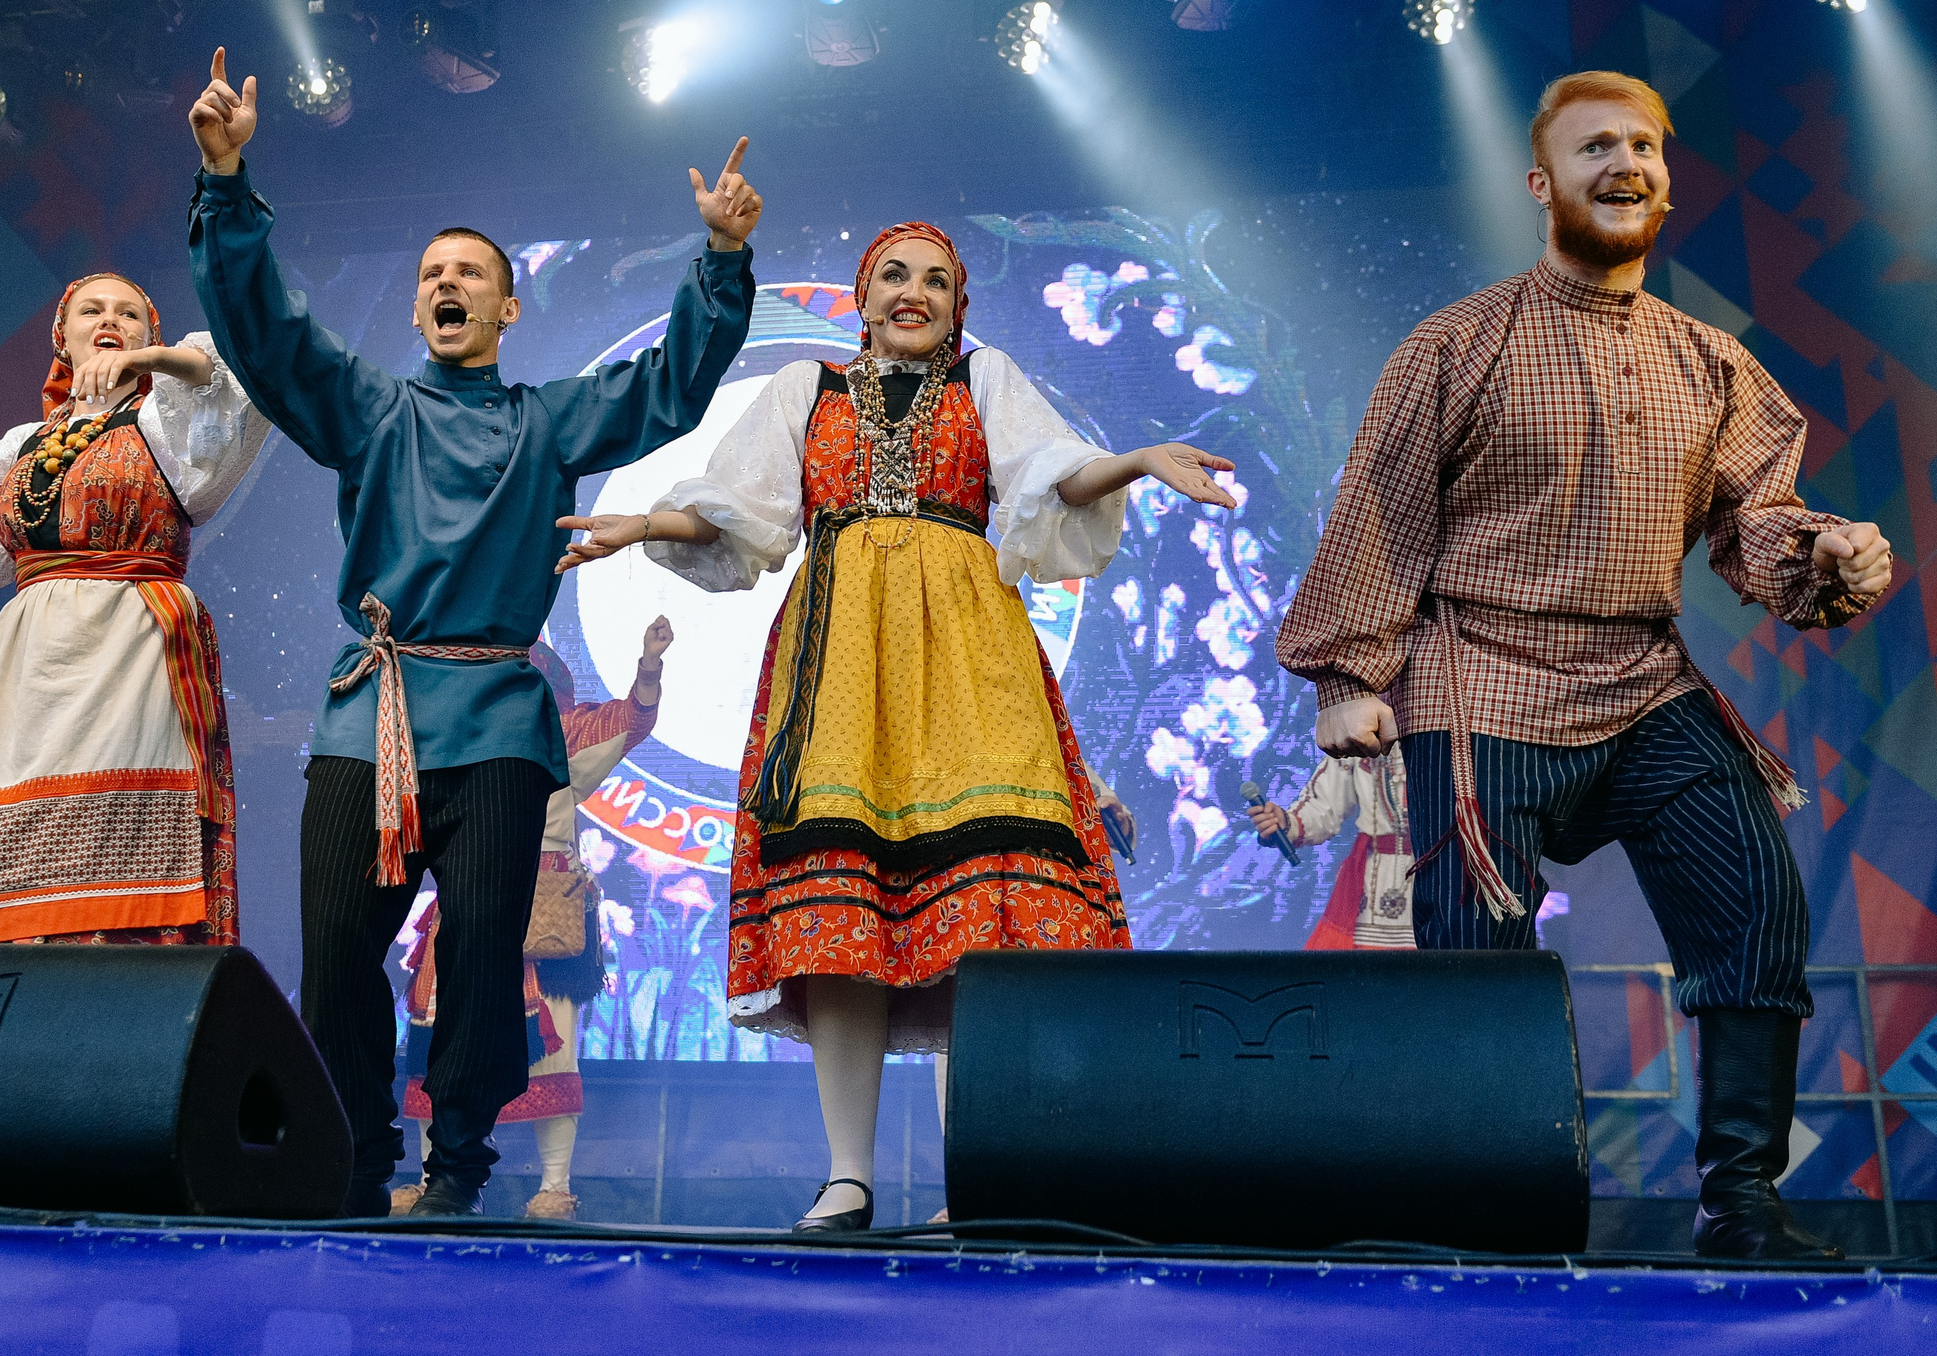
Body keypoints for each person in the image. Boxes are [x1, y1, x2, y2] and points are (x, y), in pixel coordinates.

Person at [1277, 70, 1895, 1262]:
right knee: (1479, 946)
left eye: (1646, 146)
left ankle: (1742, 1204)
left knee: (1756, 901)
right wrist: (1348, 673)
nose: (1626, 164)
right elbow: (1383, 515)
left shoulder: (1710, 360)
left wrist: (1824, 555)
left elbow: (1757, 522)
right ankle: (1491, 1207)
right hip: (1477, 670)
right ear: (1540, 182)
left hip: (1638, 679)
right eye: (1596, 146)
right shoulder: (1455, 343)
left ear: (1665, 176)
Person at [563, 222, 1236, 1231]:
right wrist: (643, 523)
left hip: (971, 661)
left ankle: (981, 1174)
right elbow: (740, 511)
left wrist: (1134, 459)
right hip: (839, 660)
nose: (914, 291)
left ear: (959, 304)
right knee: (844, 909)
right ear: (862, 293)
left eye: (936, 279)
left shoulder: (986, 377)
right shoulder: (807, 387)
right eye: (894, 275)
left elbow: (1048, 472)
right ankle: (847, 1175)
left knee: (982, 912)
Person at [183, 48, 758, 1218]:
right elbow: (267, 330)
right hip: (373, 718)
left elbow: (669, 387)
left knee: (487, 960)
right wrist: (227, 179)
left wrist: (724, 261)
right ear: (416, 303)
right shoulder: (368, 407)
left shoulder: (548, 421)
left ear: (507, 306)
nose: (449, 284)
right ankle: (352, 1159)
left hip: (496, 721)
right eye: (434, 272)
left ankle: (455, 1166)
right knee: (340, 953)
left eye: (473, 274)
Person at [0, 273, 263, 946]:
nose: (109, 319)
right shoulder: (24, 444)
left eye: (130, 314)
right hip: (30, 667)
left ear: (151, 337)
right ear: (61, 335)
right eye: (91, 309)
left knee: (113, 861)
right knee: (15, 863)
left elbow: (223, 381)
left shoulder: (164, 423)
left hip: (130, 650)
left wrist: (148, 363)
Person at [394, 618, 674, 1219]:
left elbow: (632, 720)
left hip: (542, 919)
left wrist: (649, 664)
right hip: (464, 910)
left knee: (553, 1050)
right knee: (436, 1045)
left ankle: (553, 1187)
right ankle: (428, 1179)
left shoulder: (564, 739)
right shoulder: (448, 732)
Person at [1246, 753, 1413, 948]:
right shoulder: (1355, 728)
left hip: (1448, 876)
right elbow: (1323, 806)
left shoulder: (1455, 733)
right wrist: (1286, 823)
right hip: (1375, 888)